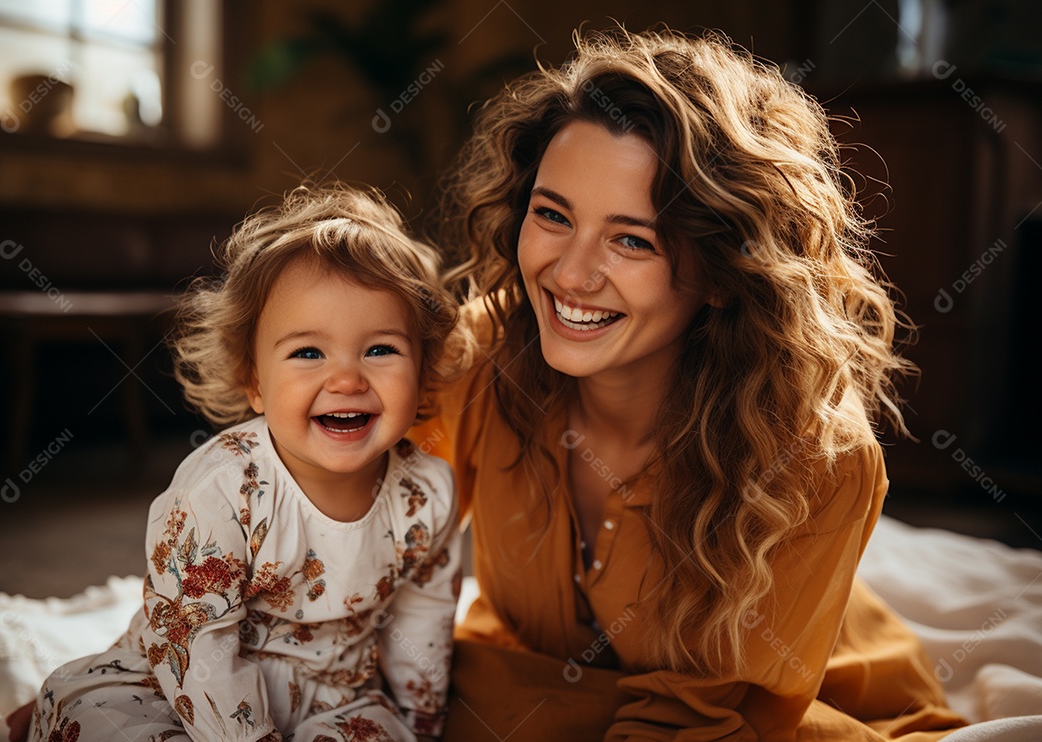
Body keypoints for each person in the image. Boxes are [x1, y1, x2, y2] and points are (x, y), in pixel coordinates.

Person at [408, 27, 968, 740]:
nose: (570, 274)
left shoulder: (820, 462)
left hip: (791, 707)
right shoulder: (483, 352)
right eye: (552, 215)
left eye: (631, 239)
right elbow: (358, 527)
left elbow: (713, 724)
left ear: (720, 272)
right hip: (524, 684)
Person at [19, 184, 465, 742]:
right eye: (308, 352)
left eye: (381, 349)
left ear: (422, 372)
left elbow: (422, 619)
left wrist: (420, 724)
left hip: (336, 695)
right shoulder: (226, 488)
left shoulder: (428, 492)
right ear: (254, 381)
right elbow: (191, 639)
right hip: (183, 690)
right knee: (99, 720)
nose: (347, 379)